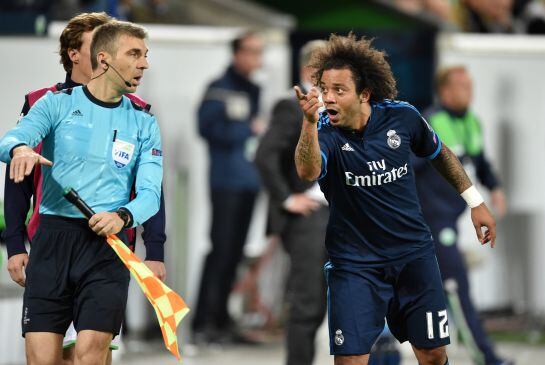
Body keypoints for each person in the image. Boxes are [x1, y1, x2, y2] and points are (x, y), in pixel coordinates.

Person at [293, 33, 497, 365]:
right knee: (351, 360)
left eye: (339, 90)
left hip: (412, 257)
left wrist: (476, 202)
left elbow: (439, 153)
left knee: (432, 354)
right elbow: (307, 170)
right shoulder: (325, 135)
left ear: (365, 94)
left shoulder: (402, 118)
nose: (328, 98)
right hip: (354, 265)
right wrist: (308, 123)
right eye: (324, 89)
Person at [2, 12, 167, 365]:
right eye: (135, 54)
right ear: (104, 58)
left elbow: (151, 193)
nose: (145, 64)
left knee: (90, 355)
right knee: (43, 360)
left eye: (145, 55)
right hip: (52, 242)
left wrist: (124, 216)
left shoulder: (144, 122)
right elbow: (12, 140)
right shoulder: (54, 104)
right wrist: (20, 149)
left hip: (108, 248)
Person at [413, 66, 511, 365]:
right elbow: (407, 169)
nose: (469, 91)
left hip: (450, 220)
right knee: (457, 286)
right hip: (431, 221)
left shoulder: (471, 121)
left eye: (470, 85)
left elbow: (479, 161)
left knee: (437, 288)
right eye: (462, 86)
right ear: (444, 91)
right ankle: (486, 356)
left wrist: (495, 188)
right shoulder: (429, 122)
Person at [255, 40, 329, 365]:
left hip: (336, 215)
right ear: (308, 70)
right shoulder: (290, 106)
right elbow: (265, 155)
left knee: (331, 301)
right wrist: (287, 199)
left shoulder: (338, 106)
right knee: (308, 303)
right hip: (309, 218)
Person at [192, 31, 264, 343]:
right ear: (236, 53)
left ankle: (222, 319)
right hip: (225, 182)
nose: (256, 59)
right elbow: (206, 128)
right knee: (220, 250)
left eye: (260, 52)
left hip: (249, 182)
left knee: (235, 253)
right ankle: (204, 322)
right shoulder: (218, 89)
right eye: (251, 52)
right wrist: (245, 128)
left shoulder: (255, 90)